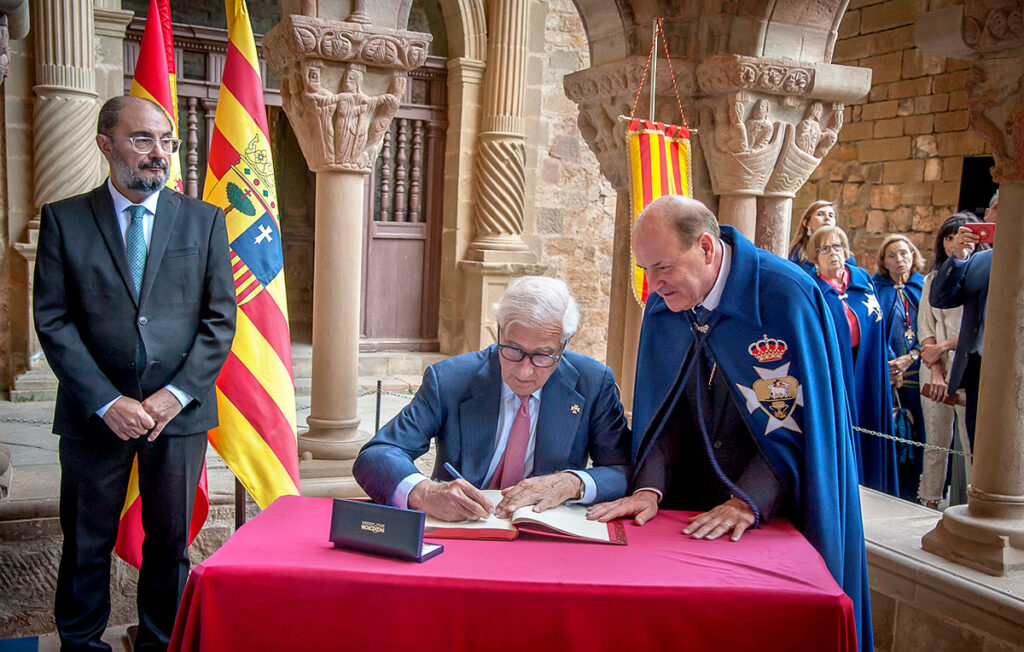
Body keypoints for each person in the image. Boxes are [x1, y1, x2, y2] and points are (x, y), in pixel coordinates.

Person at [588, 196, 872, 652]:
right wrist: (648, 487)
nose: (653, 285)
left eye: (662, 267)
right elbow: (664, 414)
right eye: (645, 269)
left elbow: (802, 426)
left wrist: (749, 500)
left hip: (772, 513)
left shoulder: (786, 296)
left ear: (706, 247)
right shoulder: (665, 305)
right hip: (686, 514)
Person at [33, 96, 237, 650]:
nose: (158, 153)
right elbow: (53, 321)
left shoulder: (203, 221)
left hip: (177, 417)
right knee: (85, 543)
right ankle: (81, 643)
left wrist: (176, 395)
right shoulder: (64, 219)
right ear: (106, 145)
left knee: (170, 545)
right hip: (94, 416)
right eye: (142, 139)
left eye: (165, 140)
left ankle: (160, 643)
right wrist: (106, 401)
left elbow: (220, 321)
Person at [353, 275, 631, 521]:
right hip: (465, 529)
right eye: (513, 350)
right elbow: (377, 454)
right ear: (499, 331)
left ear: (564, 344)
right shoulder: (450, 379)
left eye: (542, 356)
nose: (524, 371)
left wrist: (572, 483)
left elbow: (623, 469)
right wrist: (424, 492)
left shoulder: (593, 382)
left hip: (545, 534)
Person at [807, 226, 899, 496]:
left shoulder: (861, 280)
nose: (832, 253)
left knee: (872, 426)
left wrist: (889, 361)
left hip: (869, 370)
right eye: (824, 249)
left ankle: (877, 487)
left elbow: (877, 327)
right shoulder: (814, 290)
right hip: (838, 374)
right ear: (815, 257)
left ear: (846, 251)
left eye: (837, 246)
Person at [917, 213, 982, 509]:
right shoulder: (932, 279)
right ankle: (928, 502)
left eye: (960, 235)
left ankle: (976, 505)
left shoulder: (982, 277)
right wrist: (936, 370)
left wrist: (943, 346)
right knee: (935, 441)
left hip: (968, 365)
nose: (954, 242)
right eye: (948, 236)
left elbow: (979, 329)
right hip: (934, 366)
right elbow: (925, 327)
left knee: (972, 443)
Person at [930, 190, 998, 446]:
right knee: (979, 447)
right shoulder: (977, 261)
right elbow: (940, 298)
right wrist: (958, 257)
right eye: (997, 208)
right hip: (980, 369)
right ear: (987, 216)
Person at [873, 234, 927, 500]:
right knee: (890, 430)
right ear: (883, 262)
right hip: (888, 371)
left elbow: (929, 329)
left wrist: (912, 356)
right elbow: (874, 329)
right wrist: (891, 363)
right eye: (892, 255)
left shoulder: (923, 288)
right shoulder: (876, 289)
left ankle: (914, 490)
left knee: (918, 432)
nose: (899, 260)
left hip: (919, 370)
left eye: (904, 253)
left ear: (913, 256)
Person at [787, 199, 836, 267]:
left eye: (831, 215)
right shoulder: (794, 254)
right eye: (820, 214)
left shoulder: (845, 255)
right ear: (806, 223)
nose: (827, 218)